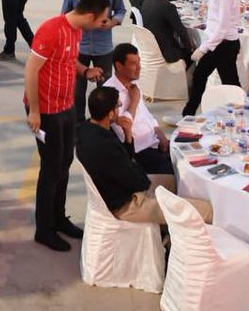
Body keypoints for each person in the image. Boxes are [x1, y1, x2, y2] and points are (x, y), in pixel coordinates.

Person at [23, 0, 111, 251]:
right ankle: (44, 228)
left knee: (64, 163)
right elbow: (31, 70)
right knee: (50, 169)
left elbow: (69, 60)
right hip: (46, 110)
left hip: (66, 106)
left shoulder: (77, 31)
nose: (103, 24)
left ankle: (59, 218)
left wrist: (86, 70)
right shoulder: (51, 30)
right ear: (89, 15)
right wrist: (35, 111)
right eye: (102, 20)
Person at [76, 86, 212, 225]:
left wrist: (128, 134)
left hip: (121, 189)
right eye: (118, 106)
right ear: (110, 113)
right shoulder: (106, 145)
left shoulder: (88, 129)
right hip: (127, 204)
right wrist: (138, 170)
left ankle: (176, 228)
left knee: (177, 182)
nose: (120, 110)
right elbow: (139, 183)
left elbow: (127, 163)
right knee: (206, 210)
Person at [62, 0, 126, 121]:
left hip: (103, 48)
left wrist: (113, 22)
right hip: (79, 48)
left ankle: (103, 125)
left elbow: (121, 9)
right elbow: (65, 14)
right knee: (77, 92)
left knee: (104, 91)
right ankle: (78, 129)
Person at [182, 0, 241, 116]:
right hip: (218, 42)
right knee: (200, 76)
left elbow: (222, 27)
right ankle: (188, 114)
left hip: (224, 44)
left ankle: (241, 114)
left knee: (231, 84)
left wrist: (204, 48)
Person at [103, 44, 173, 175]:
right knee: (178, 176)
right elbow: (124, 127)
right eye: (133, 64)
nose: (139, 68)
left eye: (139, 62)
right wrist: (134, 101)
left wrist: (161, 135)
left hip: (155, 143)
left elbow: (147, 116)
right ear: (119, 66)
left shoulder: (133, 85)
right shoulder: (109, 93)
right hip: (140, 151)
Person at [139, 0, 194, 65]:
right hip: (165, 50)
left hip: (149, 47)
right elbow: (180, 30)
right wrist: (190, 48)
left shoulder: (145, 3)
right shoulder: (168, 7)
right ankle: (180, 77)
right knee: (192, 55)